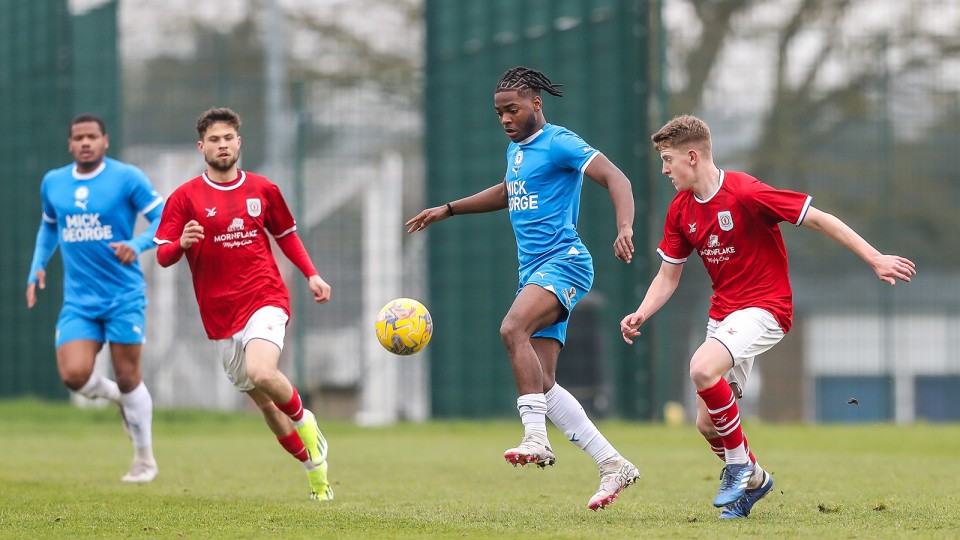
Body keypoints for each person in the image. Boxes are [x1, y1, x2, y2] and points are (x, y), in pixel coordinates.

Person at [620, 114, 917, 518]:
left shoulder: (745, 192)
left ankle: (739, 466)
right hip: (724, 317)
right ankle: (756, 479)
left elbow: (818, 218)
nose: (664, 169)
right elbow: (668, 276)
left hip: (766, 308)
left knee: (701, 368)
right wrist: (641, 312)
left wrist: (874, 257)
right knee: (707, 426)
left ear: (692, 156)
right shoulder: (681, 210)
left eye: (668, 159)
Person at [406, 66, 640, 511]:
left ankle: (536, 438)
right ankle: (613, 464)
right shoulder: (516, 151)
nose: (505, 120)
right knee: (545, 383)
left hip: (565, 263)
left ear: (537, 103)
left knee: (512, 329)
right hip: (532, 270)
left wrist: (624, 227)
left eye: (512, 110)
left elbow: (618, 178)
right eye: (498, 114)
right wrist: (449, 209)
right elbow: (509, 192)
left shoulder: (560, 142)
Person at [153, 107, 333, 502]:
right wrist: (181, 244)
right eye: (214, 140)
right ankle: (314, 471)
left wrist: (311, 274)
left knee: (262, 370)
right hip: (220, 316)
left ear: (239, 142)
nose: (222, 145)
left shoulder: (263, 189)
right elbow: (163, 255)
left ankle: (306, 420)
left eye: (228, 138)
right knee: (265, 403)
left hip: (265, 296)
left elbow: (286, 235)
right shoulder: (184, 198)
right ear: (202, 147)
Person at [26, 113, 164, 483]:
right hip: (80, 301)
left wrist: (136, 244)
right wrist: (38, 265)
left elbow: (165, 219)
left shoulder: (127, 178)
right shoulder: (53, 182)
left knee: (127, 375)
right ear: (69, 144)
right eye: (78, 137)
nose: (85, 143)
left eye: (92, 136)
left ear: (105, 141)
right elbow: (49, 226)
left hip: (123, 296)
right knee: (73, 375)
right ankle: (118, 400)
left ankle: (144, 460)